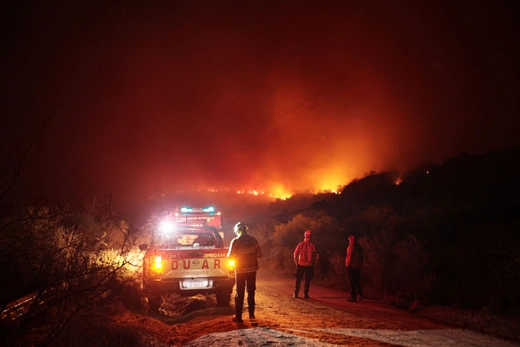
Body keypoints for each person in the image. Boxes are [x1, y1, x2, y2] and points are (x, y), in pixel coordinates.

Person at [227, 222, 262, 323]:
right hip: (252, 270)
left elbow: (230, 256)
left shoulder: (235, 241)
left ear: (237, 231)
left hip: (240, 270)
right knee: (251, 291)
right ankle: (251, 315)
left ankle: (239, 317)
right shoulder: (253, 240)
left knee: (240, 292)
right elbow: (259, 254)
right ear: (246, 230)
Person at [293, 230, 319, 299]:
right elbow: (317, 256)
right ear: (310, 237)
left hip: (300, 264)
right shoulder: (312, 246)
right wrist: (314, 262)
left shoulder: (300, 244)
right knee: (307, 280)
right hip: (309, 265)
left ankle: (296, 293)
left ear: (304, 236)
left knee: (298, 280)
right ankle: (305, 294)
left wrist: (296, 263)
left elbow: (295, 254)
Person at [345, 234, 364, 302]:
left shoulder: (352, 247)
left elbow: (349, 257)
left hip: (352, 267)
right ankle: (360, 293)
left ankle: (353, 296)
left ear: (352, 240)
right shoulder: (359, 247)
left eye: (350, 238)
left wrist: (347, 265)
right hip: (358, 267)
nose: (348, 239)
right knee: (356, 281)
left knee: (352, 281)